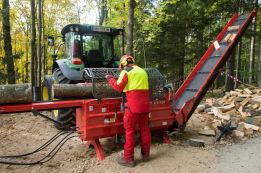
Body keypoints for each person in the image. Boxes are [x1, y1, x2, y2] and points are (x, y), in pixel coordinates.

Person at [105, 55, 151, 167]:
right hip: (145, 107)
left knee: (129, 131)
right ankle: (146, 155)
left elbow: (118, 87)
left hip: (132, 108)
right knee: (145, 129)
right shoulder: (143, 71)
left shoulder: (126, 72)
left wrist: (110, 79)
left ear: (123, 64)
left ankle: (128, 159)